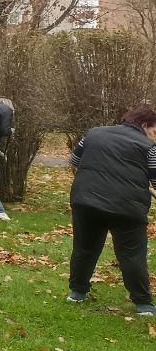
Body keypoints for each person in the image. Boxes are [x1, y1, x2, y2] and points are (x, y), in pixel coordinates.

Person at [65, 105, 156, 316]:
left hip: (85, 200)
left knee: (84, 247)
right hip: (127, 206)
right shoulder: (149, 147)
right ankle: (143, 304)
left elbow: (75, 160)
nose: (155, 137)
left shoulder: (93, 133)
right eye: (154, 131)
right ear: (144, 125)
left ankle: (77, 292)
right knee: (132, 253)